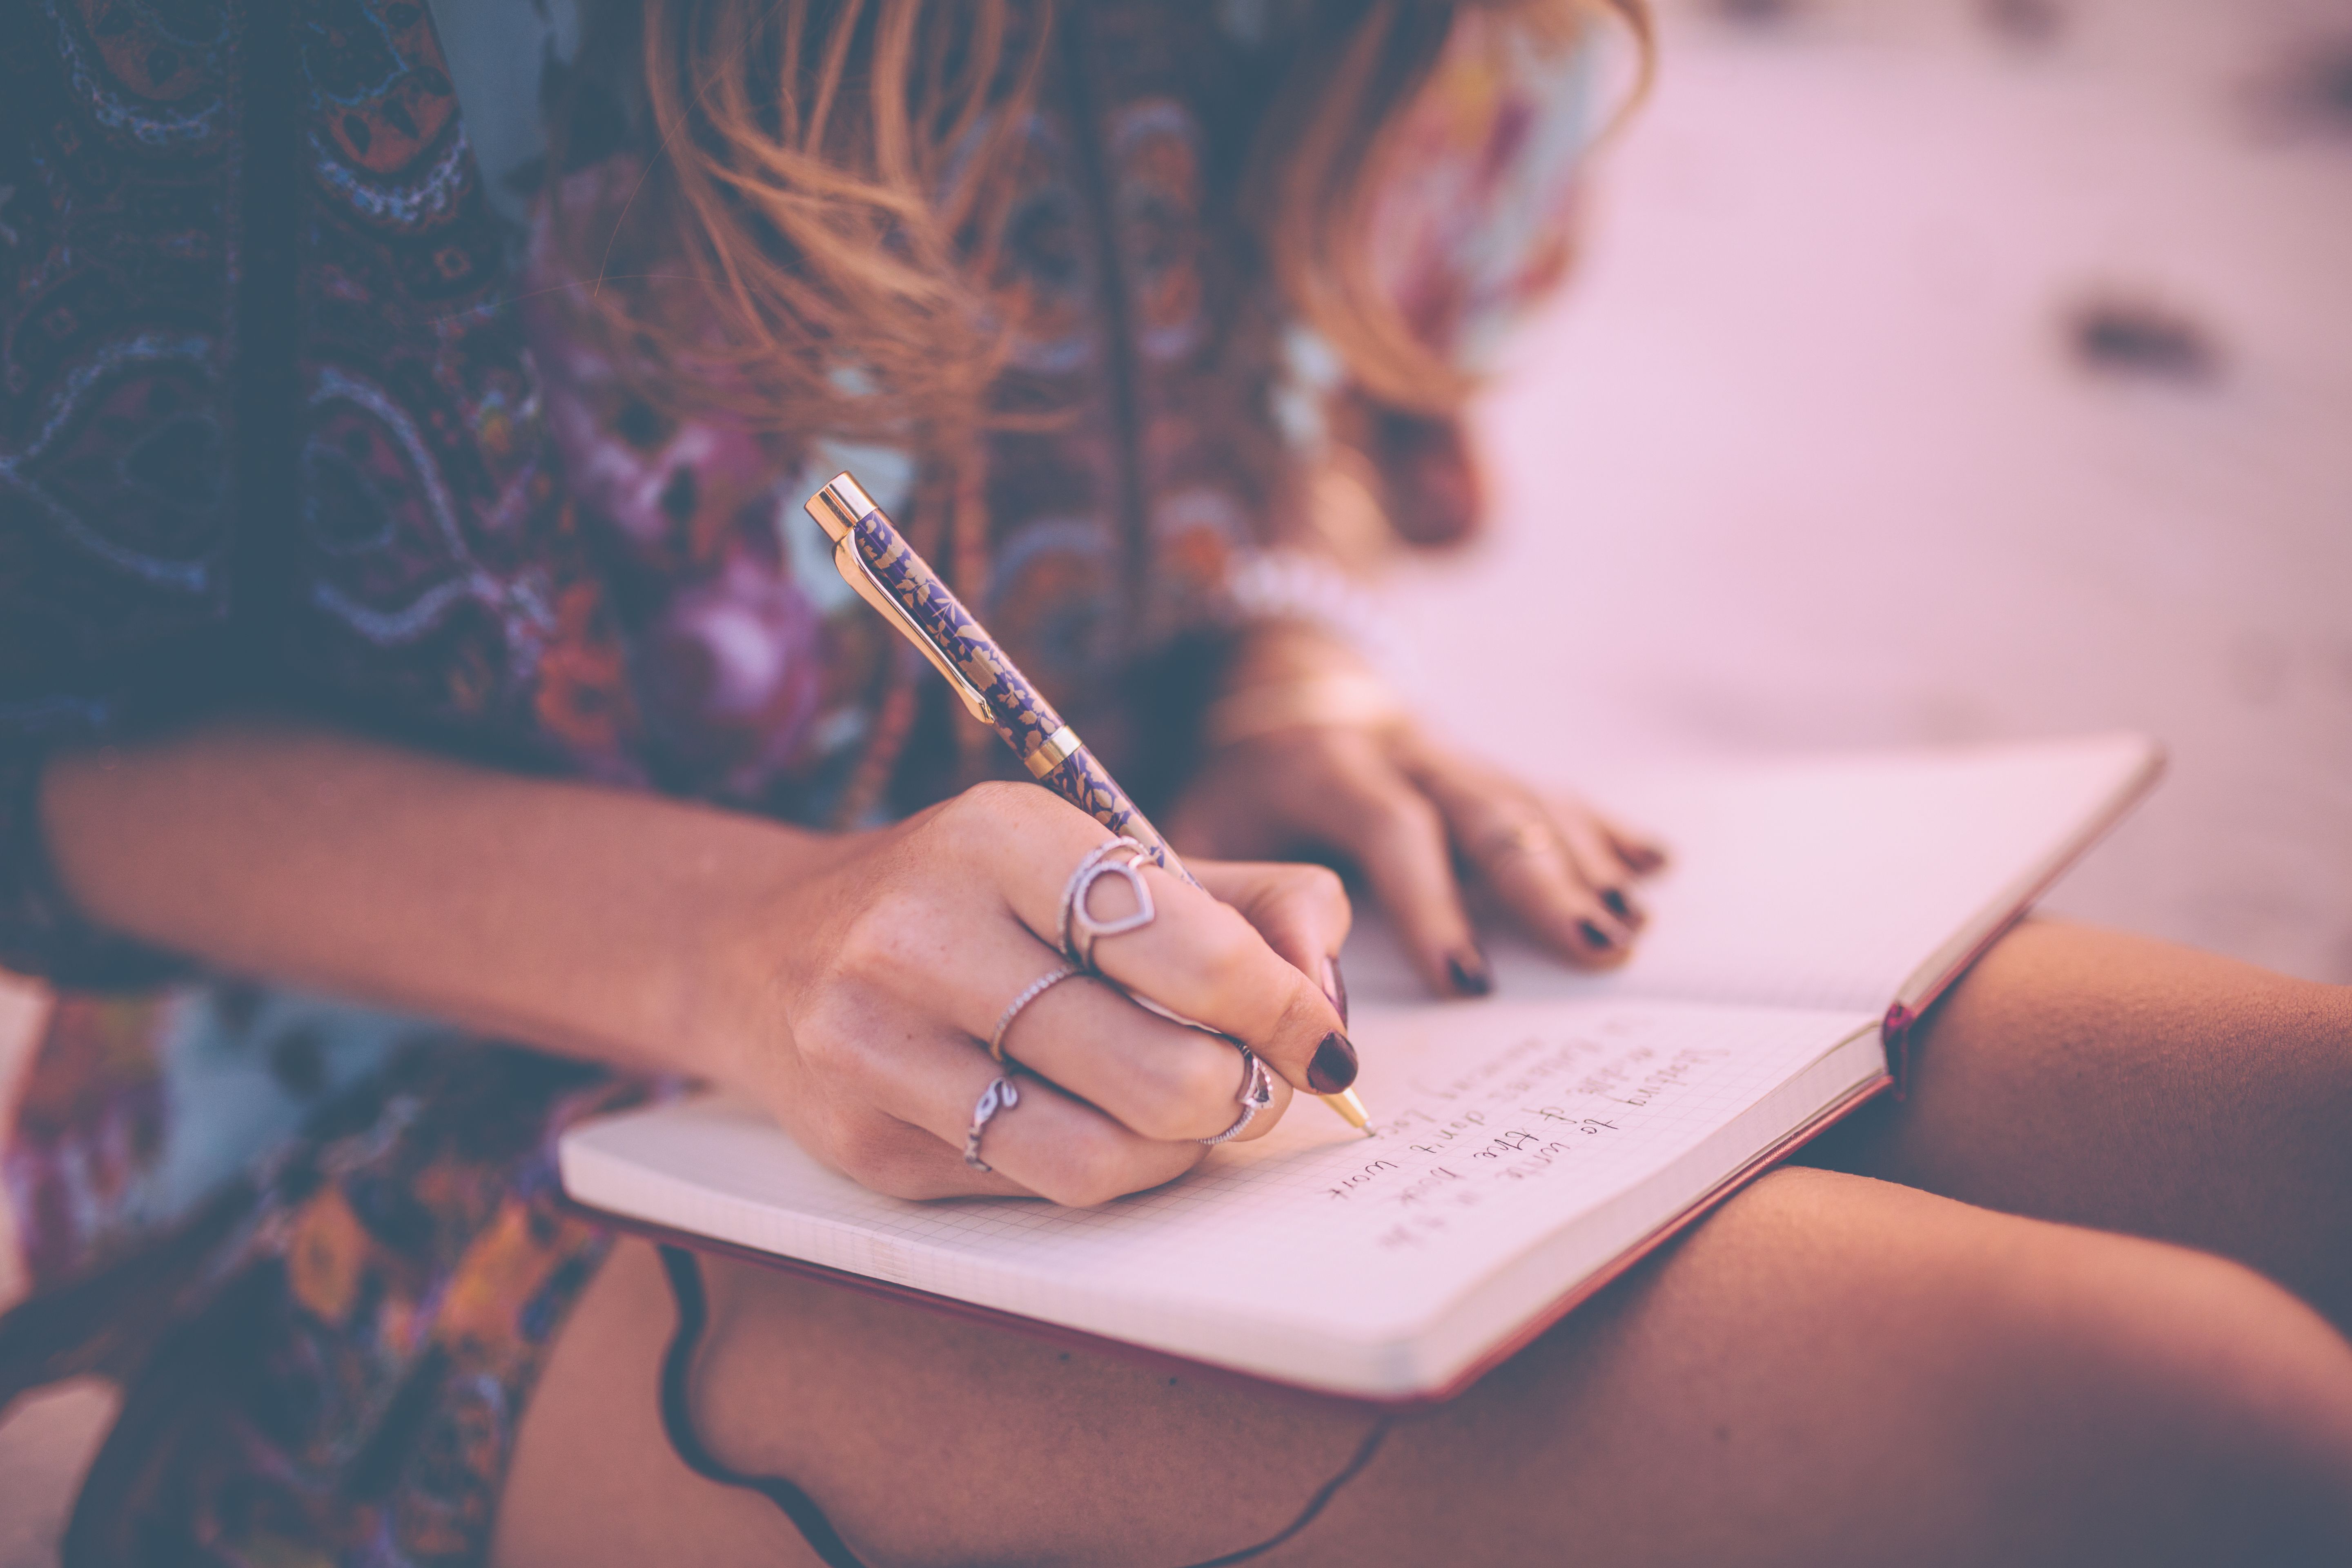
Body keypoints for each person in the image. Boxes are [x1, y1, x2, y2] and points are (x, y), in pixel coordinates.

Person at [2, 2, 2347, 1564]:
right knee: (2157, 1423)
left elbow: (1289, 477)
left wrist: (1282, 687)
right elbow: (60, 750)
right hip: (394, 1151)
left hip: (1157, 912)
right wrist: (741, 938)